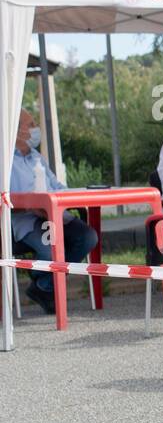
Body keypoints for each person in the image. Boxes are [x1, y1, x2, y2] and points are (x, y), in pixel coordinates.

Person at [8, 110, 98, 314]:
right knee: (52, 250)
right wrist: (35, 205)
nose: (35, 129)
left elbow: (56, 186)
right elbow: (8, 197)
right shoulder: (5, 161)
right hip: (27, 220)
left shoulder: (37, 157)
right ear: (16, 130)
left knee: (88, 237)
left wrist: (71, 194)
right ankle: (46, 283)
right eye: (30, 124)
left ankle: (43, 284)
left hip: (56, 215)